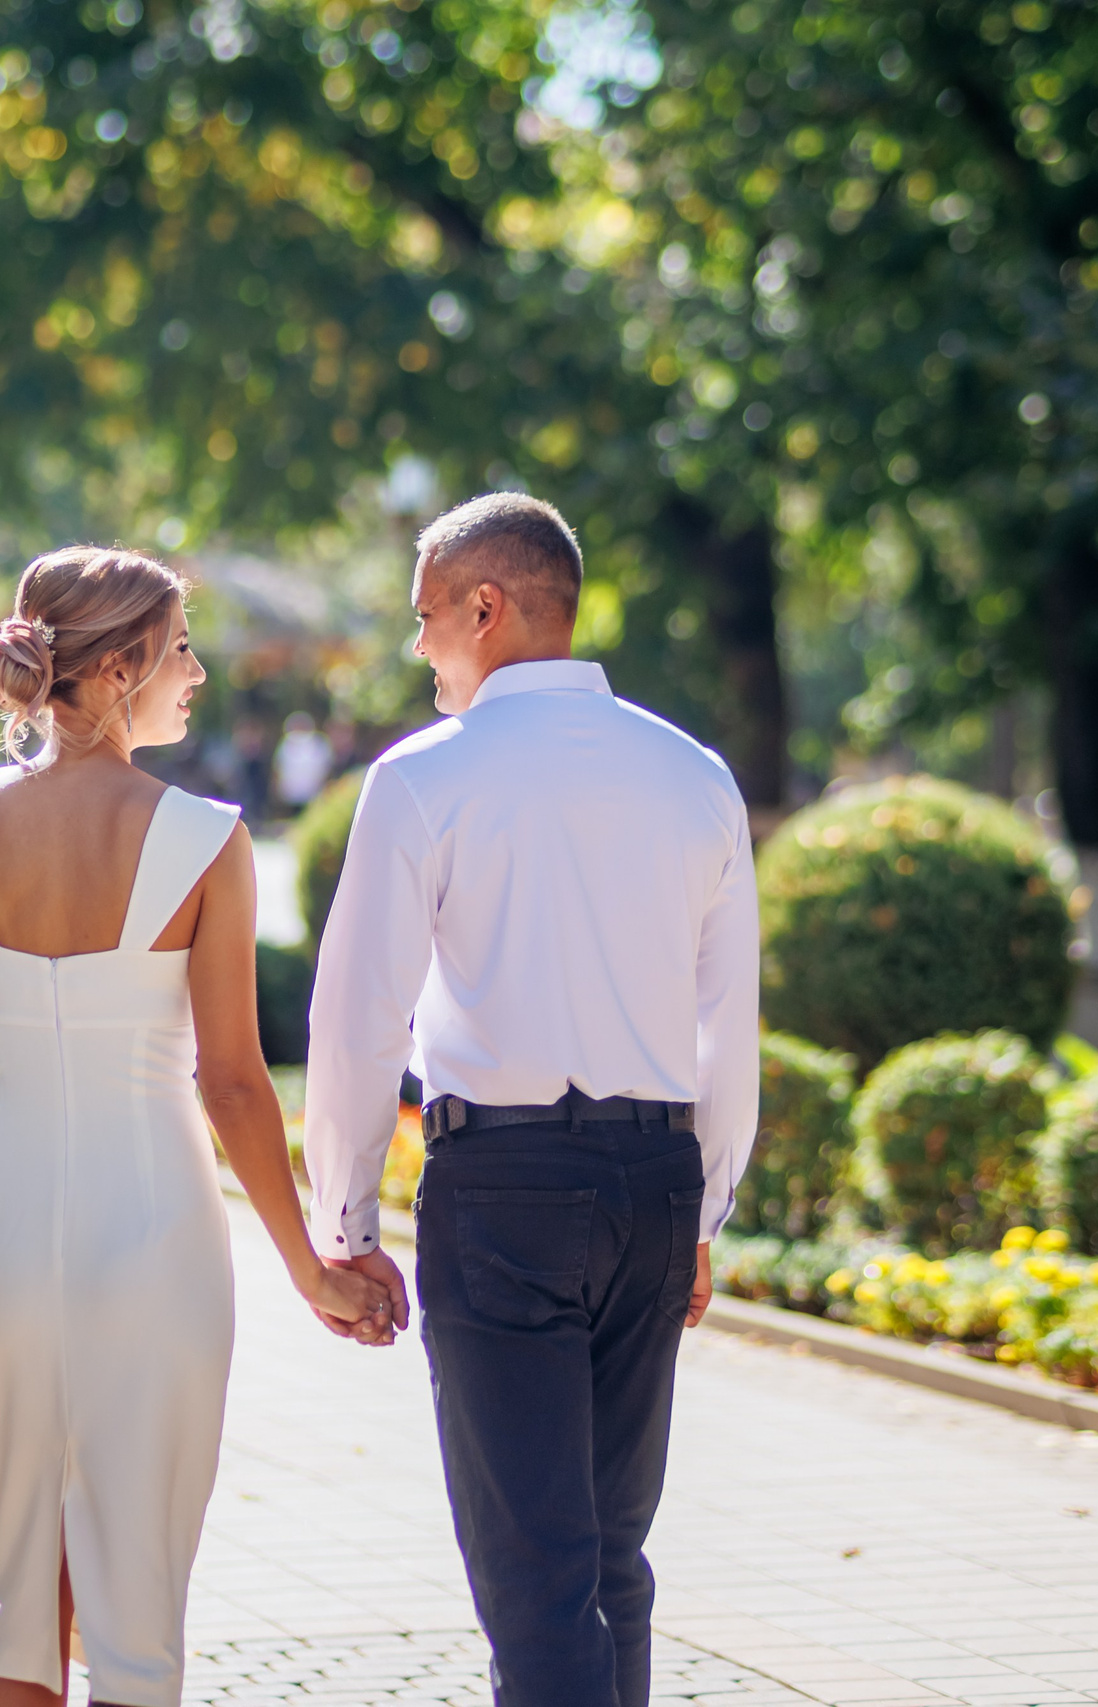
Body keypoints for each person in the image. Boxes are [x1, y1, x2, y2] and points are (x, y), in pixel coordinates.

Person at [0, 547, 393, 1707]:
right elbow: (234, 1083)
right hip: (154, 1228)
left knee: (20, 1597)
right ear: (116, 671)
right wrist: (310, 1266)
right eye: (180, 651)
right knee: (138, 1608)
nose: (197, 674)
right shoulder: (206, 838)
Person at [303, 492, 760, 1707]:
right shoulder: (695, 774)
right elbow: (731, 1022)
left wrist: (342, 1228)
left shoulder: (422, 781)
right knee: (611, 1560)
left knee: (535, 1574)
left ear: (486, 609)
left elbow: (356, 1020)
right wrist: (705, 1216)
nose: (418, 652)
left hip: (503, 1189)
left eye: (425, 622)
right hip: (656, 1187)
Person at [272, 710, 333, 812]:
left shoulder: (318, 743)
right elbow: (278, 768)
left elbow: (325, 768)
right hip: (290, 795)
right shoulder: (285, 745)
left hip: (313, 795)